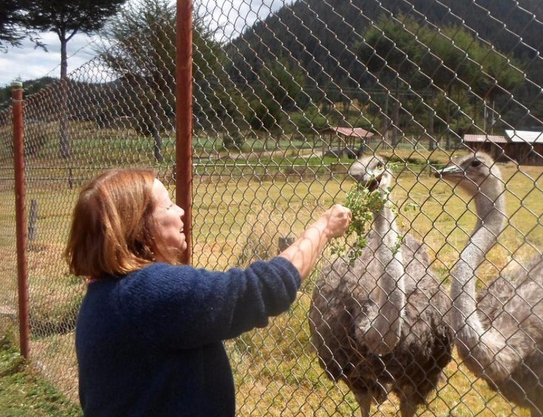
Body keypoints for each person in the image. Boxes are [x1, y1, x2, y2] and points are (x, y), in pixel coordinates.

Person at [64, 168, 351, 417]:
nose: (180, 211)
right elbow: (261, 289)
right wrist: (323, 228)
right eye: (167, 207)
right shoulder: (146, 294)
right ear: (139, 230)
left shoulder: (103, 294)